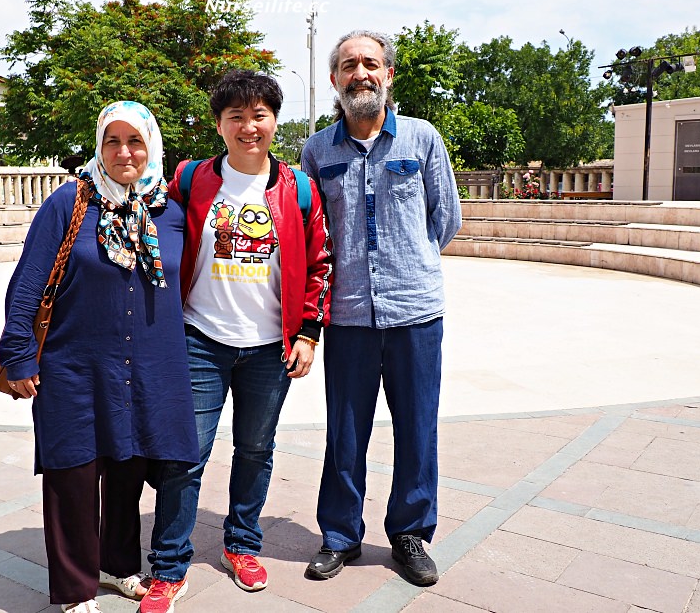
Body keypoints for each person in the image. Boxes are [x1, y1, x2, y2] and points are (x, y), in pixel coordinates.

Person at [139, 69, 333, 613]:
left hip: (271, 346)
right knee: (185, 456)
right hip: (199, 338)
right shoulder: (191, 178)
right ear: (219, 125)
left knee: (255, 450)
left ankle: (241, 544)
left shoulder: (298, 190)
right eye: (236, 117)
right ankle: (170, 566)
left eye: (259, 115)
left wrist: (308, 334)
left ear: (275, 120)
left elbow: (320, 263)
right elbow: (139, 214)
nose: (249, 127)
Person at [0, 101, 199, 613]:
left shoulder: (168, 210)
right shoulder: (70, 203)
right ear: (99, 147)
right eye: (114, 141)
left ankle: (117, 566)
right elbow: (28, 284)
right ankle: (73, 589)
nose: (125, 151)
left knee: (127, 471)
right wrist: (19, 354)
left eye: (136, 141)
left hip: (146, 369)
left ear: (151, 145)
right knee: (73, 475)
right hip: (74, 368)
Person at [300, 30, 461, 587]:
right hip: (347, 317)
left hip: (416, 312)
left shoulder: (421, 139)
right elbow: (313, 233)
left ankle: (410, 533)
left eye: (371, 63)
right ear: (334, 80)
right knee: (345, 432)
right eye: (349, 65)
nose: (360, 73)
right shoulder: (318, 150)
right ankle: (340, 535)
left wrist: (407, 263)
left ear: (388, 74)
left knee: (418, 428)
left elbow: (445, 220)